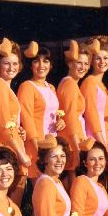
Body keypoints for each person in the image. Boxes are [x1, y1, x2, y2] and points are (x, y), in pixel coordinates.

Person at [0, 37, 31, 206]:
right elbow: (3, 126)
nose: (11, 68)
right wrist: (21, 153)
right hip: (8, 154)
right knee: (10, 206)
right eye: (7, 63)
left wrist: (21, 130)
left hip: (13, 149)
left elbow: (10, 122)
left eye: (15, 63)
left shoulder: (5, 86)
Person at [18, 41, 65, 182]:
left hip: (52, 144)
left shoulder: (51, 87)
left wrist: (60, 122)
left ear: (51, 65)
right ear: (31, 65)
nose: (41, 65)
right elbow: (26, 118)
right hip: (36, 147)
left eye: (46, 61)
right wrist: (38, 144)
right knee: (40, 185)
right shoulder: (27, 86)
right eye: (36, 61)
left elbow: (52, 114)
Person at [56, 40, 90, 190]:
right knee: (73, 185)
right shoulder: (69, 84)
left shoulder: (72, 84)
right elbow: (70, 117)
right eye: (79, 63)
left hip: (72, 138)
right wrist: (77, 147)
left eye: (86, 64)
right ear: (70, 64)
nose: (83, 67)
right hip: (71, 140)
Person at [80, 37, 108, 163]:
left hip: (106, 138)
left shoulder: (102, 84)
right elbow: (91, 114)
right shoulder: (89, 82)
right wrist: (102, 143)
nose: (102, 62)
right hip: (96, 139)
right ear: (92, 61)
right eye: (98, 58)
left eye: (105, 58)